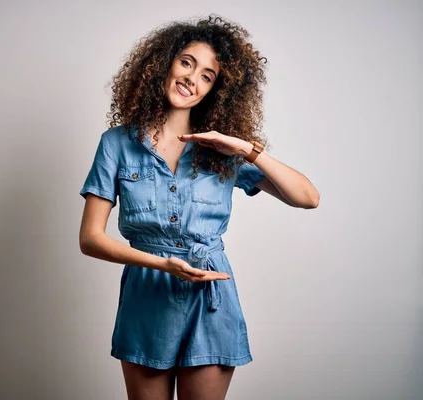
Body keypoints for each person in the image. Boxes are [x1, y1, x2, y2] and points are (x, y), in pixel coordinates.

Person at [78, 14, 319, 400]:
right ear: (164, 63)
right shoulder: (116, 144)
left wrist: (245, 148)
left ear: (215, 90)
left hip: (211, 302)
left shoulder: (222, 150)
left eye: (207, 76)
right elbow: (90, 239)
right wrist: (162, 264)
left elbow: (307, 198)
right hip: (147, 295)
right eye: (187, 63)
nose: (193, 78)